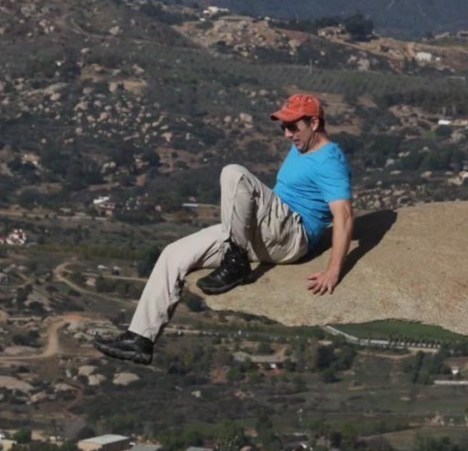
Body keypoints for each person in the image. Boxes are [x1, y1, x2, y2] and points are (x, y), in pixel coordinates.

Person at [95, 93, 354, 365]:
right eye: (283, 128)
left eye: (292, 127)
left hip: (292, 235)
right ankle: (141, 339)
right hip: (266, 231)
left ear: (314, 123)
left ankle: (236, 260)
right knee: (174, 254)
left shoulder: (329, 160)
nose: (287, 134)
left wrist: (333, 271)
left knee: (234, 173)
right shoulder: (302, 146)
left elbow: (344, 215)